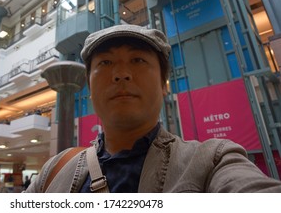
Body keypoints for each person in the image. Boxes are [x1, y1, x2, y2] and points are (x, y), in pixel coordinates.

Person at [25, 24, 281, 193]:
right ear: (89, 88)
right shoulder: (54, 170)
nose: (121, 74)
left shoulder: (213, 161)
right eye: (105, 63)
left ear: (163, 85)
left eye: (138, 60)